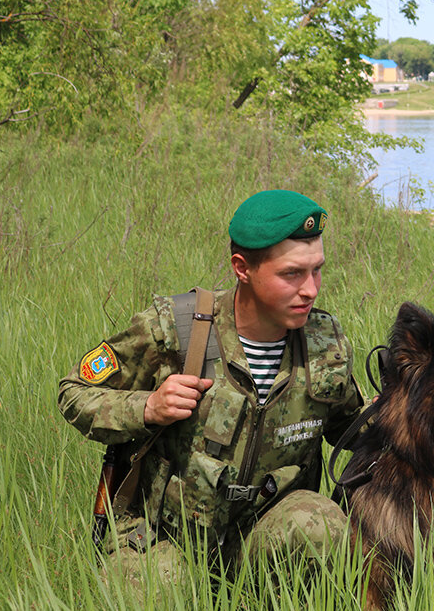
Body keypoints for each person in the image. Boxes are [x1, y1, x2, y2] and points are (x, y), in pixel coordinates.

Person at [58, 189, 363, 588]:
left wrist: (421, 406)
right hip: (166, 538)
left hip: (261, 537)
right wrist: (147, 407)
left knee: (321, 526)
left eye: (317, 270)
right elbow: (73, 391)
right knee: (155, 588)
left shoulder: (324, 342)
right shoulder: (176, 328)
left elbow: (352, 429)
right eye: (291, 274)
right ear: (242, 268)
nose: (311, 289)